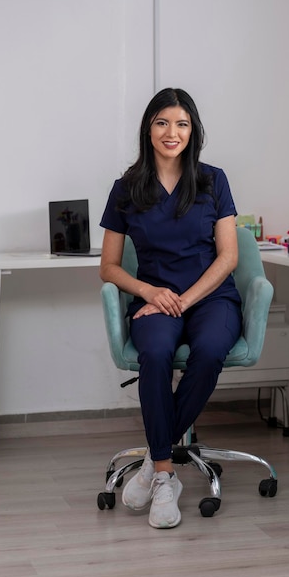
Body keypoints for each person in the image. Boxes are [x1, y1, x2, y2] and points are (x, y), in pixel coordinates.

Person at [99, 87, 242, 529]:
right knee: (156, 354)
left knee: (210, 351)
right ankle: (165, 476)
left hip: (209, 298)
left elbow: (229, 257)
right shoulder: (126, 188)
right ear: (148, 128)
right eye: (162, 122)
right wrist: (147, 291)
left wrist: (184, 299)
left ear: (193, 130)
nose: (172, 132)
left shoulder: (213, 180)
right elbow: (108, 267)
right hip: (155, 300)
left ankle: (154, 459)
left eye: (181, 124)